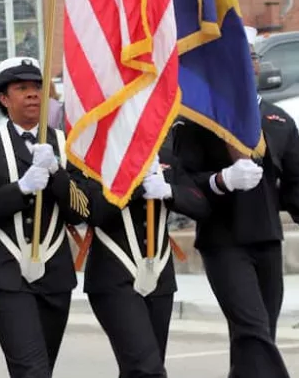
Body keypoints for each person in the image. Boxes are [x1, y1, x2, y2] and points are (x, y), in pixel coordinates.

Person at [172, 26, 299, 378]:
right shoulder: (200, 122)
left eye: (251, 58)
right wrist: (221, 180)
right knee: (253, 330)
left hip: (267, 240)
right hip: (223, 242)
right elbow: (183, 183)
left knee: (256, 337)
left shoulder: (278, 119)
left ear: (255, 66)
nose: (245, 66)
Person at [0, 56, 88, 378]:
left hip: (55, 273)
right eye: (22, 88)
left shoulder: (68, 145)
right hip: (6, 273)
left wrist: (58, 173)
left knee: (42, 366)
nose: (33, 94)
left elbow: (81, 211)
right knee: (31, 368)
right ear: (4, 99)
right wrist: (22, 188)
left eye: (37, 87)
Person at [77, 130, 211, 378]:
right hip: (113, 277)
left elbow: (201, 205)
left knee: (141, 368)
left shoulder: (165, 158)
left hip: (160, 276)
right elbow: (92, 212)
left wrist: (170, 191)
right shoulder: (97, 159)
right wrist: (136, 183)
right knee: (147, 369)